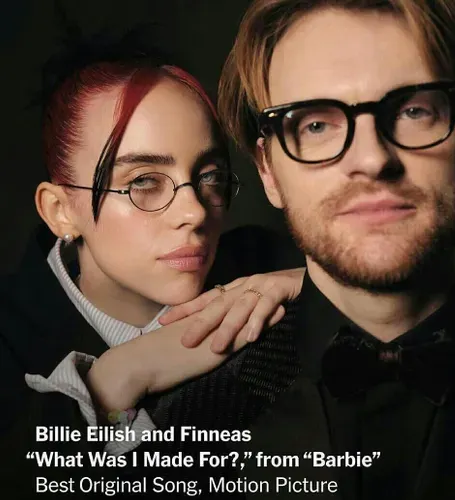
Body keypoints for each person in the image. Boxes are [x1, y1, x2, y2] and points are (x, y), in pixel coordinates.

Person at [215, 0, 455, 498]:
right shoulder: (179, 411)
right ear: (268, 172)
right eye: (315, 124)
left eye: (414, 110)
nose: (371, 159)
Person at [0, 36, 305, 498]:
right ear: (60, 210)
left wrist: (314, 284)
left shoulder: (270, 264)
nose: (197, 212)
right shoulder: (10, 339)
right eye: (143, 181)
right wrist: (112, 382)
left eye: (208, 176)